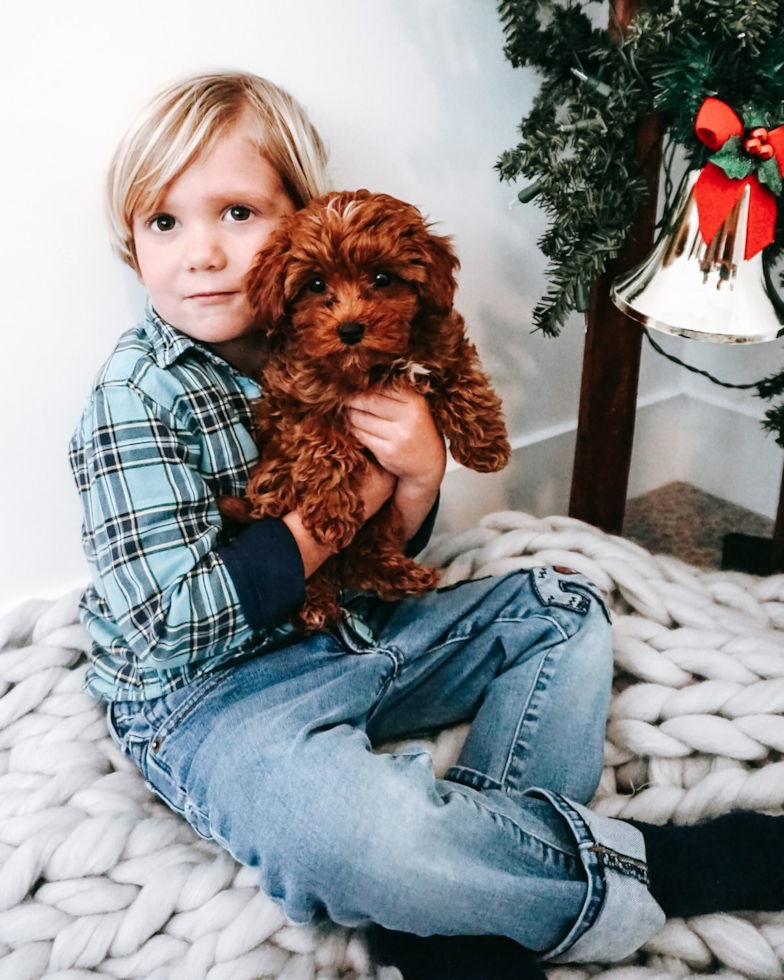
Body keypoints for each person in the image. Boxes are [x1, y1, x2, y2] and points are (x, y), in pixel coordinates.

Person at [70, 70, 784, 980]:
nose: (201, 253)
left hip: (349, 629)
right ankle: (650, 865)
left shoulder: (344, 332)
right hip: (211, 696)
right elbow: (170, 622)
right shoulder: (135, 398)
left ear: (300, 221)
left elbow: (387, 558)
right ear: (132, 248)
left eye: (237, 214)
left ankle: (451, 910)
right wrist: (362, 494)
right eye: (164, 222)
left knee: (563, 611)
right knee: (365, 835)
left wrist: (418, 476)